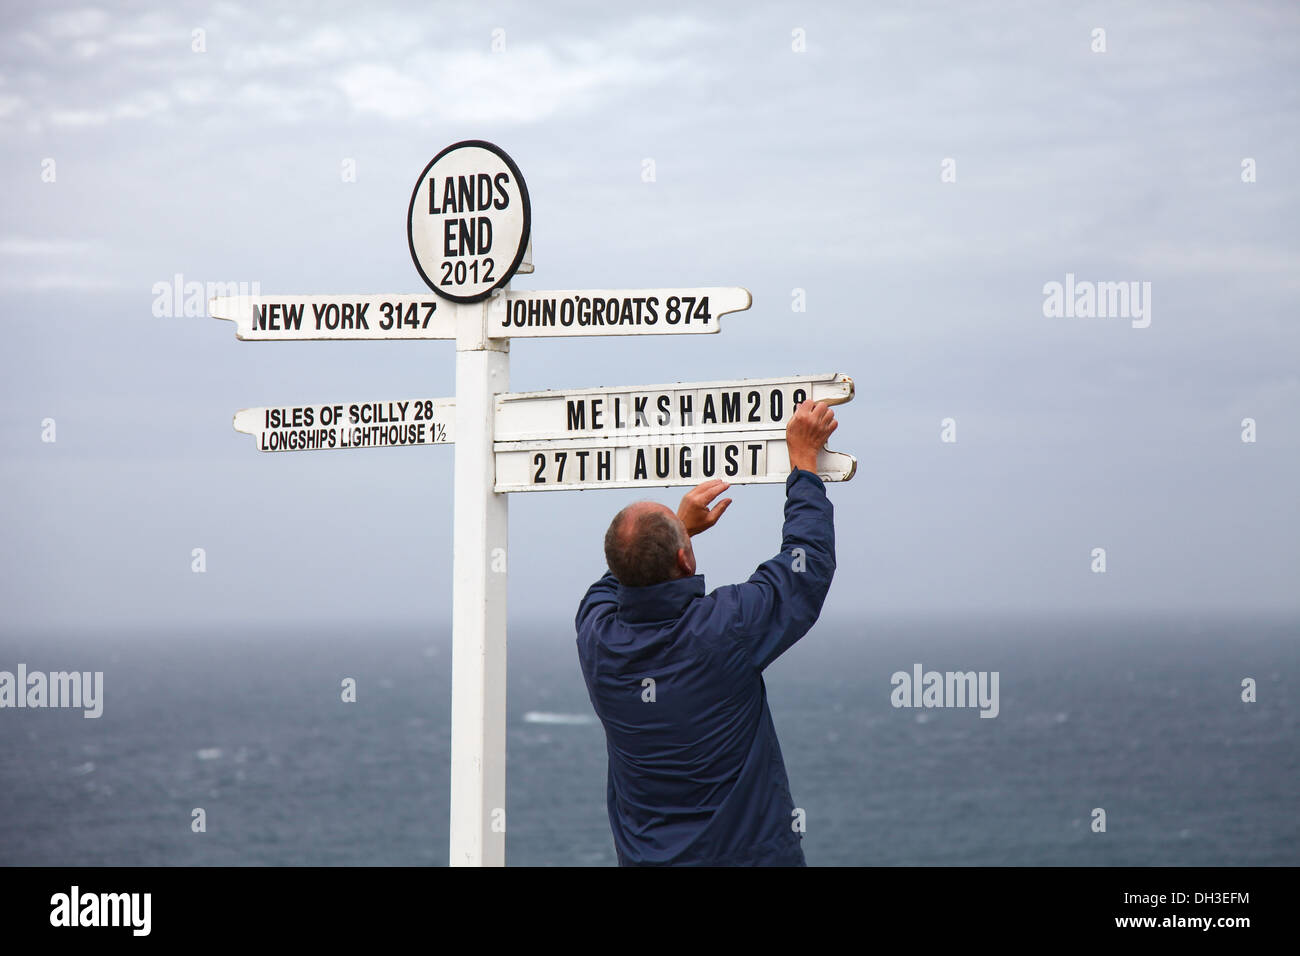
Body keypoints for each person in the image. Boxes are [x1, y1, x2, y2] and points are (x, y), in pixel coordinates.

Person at [574, 399, 839, 866]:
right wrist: (802, 463)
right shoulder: (725, 628)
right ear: (685, 561)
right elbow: (806, 568)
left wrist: (678, 533)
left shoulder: (596, 638)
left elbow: (622, 574)